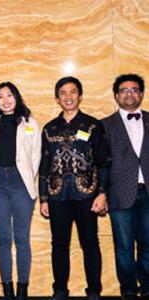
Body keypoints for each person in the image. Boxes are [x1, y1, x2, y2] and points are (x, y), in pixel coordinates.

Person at [39, 76, 109, 300]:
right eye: (63, 93)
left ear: (80, 96)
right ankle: (60, 290)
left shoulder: (92, 124)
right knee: (59, 244)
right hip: (57, 194)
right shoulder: (49, 128)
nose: (68, 97)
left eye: (72, 92)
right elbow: (44, 164)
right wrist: (43, 198)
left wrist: (103, 193)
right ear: (57, 99)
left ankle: (94, 291)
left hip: (87, 194)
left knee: (90, 243)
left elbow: (104, 162)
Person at [0, 82, 41, 300]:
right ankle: (7, 289)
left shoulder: (30, 123)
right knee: (3, 238)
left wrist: (27, 177)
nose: (5, 100)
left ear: (16, 97)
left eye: (9, 95)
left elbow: (37, 155)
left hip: (21, 184)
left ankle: (22, 290)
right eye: (0, 97)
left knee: (22, 238)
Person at [102, 74, 149, 300]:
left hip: (148, 193)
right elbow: (101, 164)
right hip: (120, 194)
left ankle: (148, 286)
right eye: (124, 90)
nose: (129, 94)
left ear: (140, 94)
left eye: (134, 90)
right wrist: (101, 193)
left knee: (148, 243)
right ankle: (128, 289)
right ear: (116, 95)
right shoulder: (105, 125)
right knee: (123, 246)